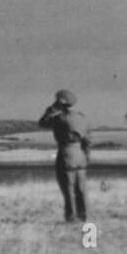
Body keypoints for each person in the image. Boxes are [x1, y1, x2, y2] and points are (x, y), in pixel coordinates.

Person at [39, 89, 92, 222]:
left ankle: (71, 217)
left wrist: (51, 109)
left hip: (66, 153)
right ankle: (84, 215)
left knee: (68, 188)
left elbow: (42, 123)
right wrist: (86, 156)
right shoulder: (82, 118)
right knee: (81, 189)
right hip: (80, 154)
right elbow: (88, 141)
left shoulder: (60, 118)